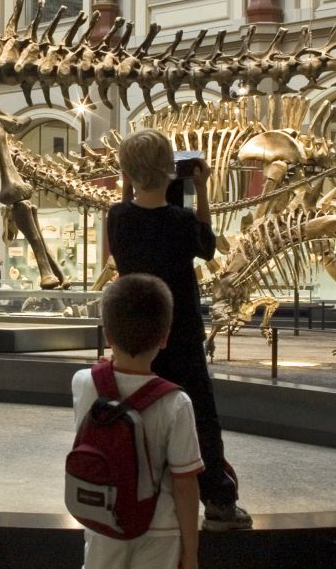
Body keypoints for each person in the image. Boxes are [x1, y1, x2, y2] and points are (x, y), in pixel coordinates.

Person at [107, 130, 249, 531]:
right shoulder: (182, 220)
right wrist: (202, 188)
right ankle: (219, 501)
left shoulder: (117, 217)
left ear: (127, 171)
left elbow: (124, 225)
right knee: (201, 415)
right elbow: (207, 244)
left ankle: (140, 496)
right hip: (181, 332)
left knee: (140, 412)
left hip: (136, 334)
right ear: (171, 170)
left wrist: (126, 182)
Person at [72, 273, 202, 569]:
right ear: (165, 336)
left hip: (104, 521)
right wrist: (191, 554)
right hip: (160, 529)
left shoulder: (82, 383)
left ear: (108, 335)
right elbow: (185, 483)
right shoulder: (176, 403)